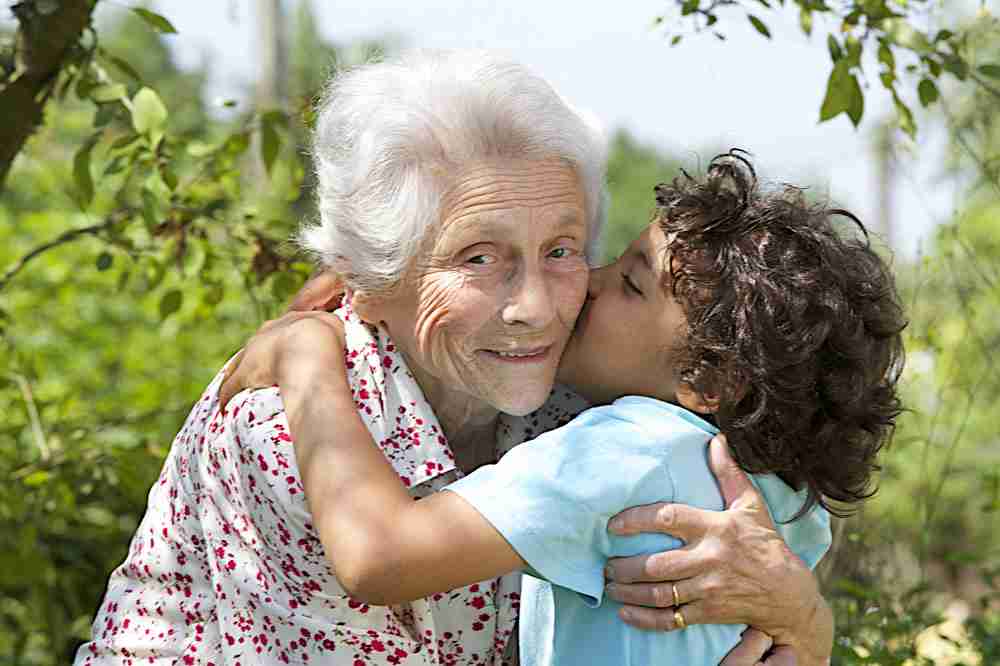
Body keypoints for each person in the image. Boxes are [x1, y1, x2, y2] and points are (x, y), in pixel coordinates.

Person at [76, 51, 833, 666]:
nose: (536, 304)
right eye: (479, 256)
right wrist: (311, 351)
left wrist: (801, 618)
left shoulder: (591, 402)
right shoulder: (292, 430)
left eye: (561, 250)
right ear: (374, 279)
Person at [221, 151, 905, 664]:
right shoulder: (780, 500)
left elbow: (378, 556)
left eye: (632, 284)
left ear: (707, 379)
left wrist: (307, 364)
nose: (591, 281)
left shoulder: (626, 448)